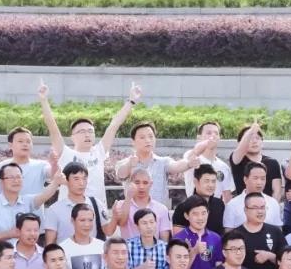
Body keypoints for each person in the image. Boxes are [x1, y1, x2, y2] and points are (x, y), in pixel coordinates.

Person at [40, 81, 138, 212]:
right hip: (69, 211)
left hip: (96, 212)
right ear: (72, 137)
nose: (87, 134)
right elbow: (52, 126)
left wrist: (131, 101)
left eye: (90, 131)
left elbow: (114, 125)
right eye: (82, 131)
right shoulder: (65, 153)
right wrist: (43, 100)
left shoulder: (99, 151)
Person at [114, 120, 195, 207]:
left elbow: (176, 166)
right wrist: (129, 164)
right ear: (133, 142)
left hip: (158, 213)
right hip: (133, 212)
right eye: (142, 137)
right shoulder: (125, 163)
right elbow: (121, 174)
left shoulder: (163, 162)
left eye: (151, 136)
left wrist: (189, 163)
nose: (148, 140)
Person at [0, 162, 59, 243]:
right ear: (1, 182)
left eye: (19, 177)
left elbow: (45, 195)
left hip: (26, 249)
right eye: (11, 177)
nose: (16, 181)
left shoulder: (27, 201)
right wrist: (9, 234)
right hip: (1, 250)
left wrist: (56, 181)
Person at [43, 162, 112, 245]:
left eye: (84, 179)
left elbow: (108, 231)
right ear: (66, 180)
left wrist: (115, 216)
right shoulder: (54, 210)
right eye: (76, 179)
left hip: (92, 252)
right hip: (65, 252)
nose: (81, 183)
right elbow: (50, 244)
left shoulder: (96, 204)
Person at [112, 167, 172, 242]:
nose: (141, 187)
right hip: (128, 248)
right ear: (131, 184)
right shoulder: (121, 204)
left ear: (151, 184)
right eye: (137, 183)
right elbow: (122, 222)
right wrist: (128, 197)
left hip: (153, 248)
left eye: (145, 183)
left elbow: (164, 239)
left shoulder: (161, 208)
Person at [237, 191, 286, 269]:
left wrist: (270, 256)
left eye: (262, 207)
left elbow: (287, 260)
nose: (260, 211)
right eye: (255, 208)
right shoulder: (236, 234)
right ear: (245, 210)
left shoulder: (275, 232)